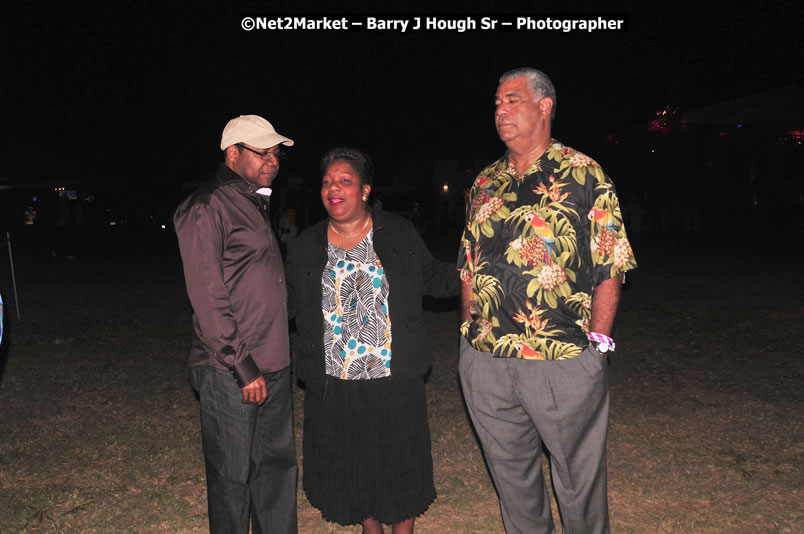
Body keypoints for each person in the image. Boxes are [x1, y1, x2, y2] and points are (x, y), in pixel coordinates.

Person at [458, 68, 638, 534]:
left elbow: (611, 264)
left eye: (512, 100)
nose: (500, 110)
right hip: (487, 359)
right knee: (511, 477)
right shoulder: (485, 182)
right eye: (496, 103)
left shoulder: (584, 174)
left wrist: (598, 345)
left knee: (578, 480)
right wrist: (468, 336)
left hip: (561, 357)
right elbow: (468, 266)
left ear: (544, 106)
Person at [286, 147, 458, 534]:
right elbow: (288, 302)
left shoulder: (396, 231)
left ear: (365, 190)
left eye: (344, 181)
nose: (333, 188)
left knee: (400, 459)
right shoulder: (308, 244)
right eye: (327, 182)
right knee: (353, 460)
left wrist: (475, 274)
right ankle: (370, 527)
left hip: (394, 375)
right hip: (335, 380)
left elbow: (432, 276)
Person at [173, 114, 298, 534]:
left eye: (276, 153)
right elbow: (208, 297)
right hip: (230, 369)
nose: (273, 160)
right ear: (233, 154)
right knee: (231, 478)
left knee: (276, 471)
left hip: (273, 359)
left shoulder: (255, 201)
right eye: (263, 152)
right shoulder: (206, 206)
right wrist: (242, 367)